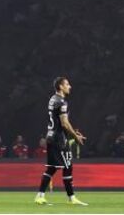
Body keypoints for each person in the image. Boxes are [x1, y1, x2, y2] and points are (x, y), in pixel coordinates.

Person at [35, 77, 87, 206]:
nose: (70, 86)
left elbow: (59, 122)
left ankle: (40, 196)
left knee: (52, 168)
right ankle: (72, 198)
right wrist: (75, 137)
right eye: (67, 84)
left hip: (51, 137)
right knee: (68, 166)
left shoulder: (53, 99)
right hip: (59, 140)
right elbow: (64, 123)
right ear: (60, 86)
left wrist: (72, 131)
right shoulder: (62, 102)